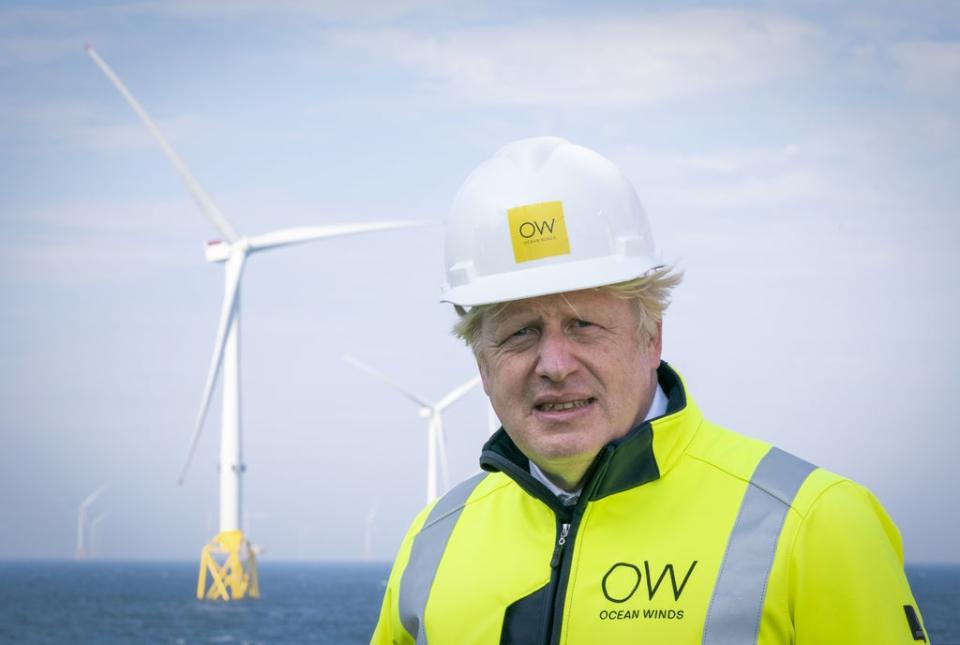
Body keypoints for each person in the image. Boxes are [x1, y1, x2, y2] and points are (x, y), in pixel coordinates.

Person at [371, 137, 927, 644]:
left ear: (651, 337)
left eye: (583, 324)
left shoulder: (816, 523)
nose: (555, 365)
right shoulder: (431, 542)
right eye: (520, 333)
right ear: (481, 361)